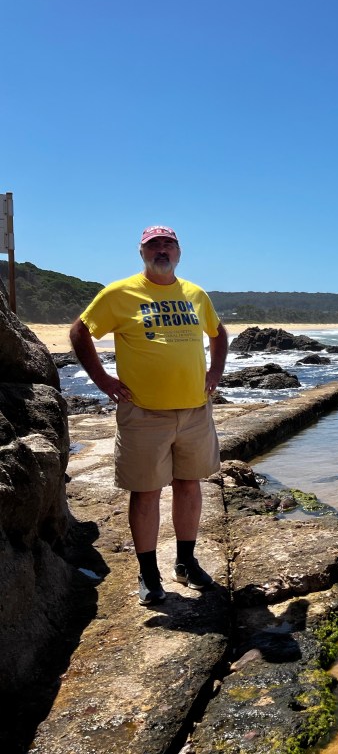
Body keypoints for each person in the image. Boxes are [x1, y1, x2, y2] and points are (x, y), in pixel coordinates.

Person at [70, 225, 228, 604]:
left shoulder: (195, 294)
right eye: (153, 245)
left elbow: (218, 333)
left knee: (189, 485)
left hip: (194, 410)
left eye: (168, 244)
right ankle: (149, 573)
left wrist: (215, 372)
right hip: (143, 413)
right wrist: (102, 379)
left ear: (179, 252)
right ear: (141, 252)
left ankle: (186, 562)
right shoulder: (120, 293)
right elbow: (80, 331)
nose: (162, 250)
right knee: (145, 493)